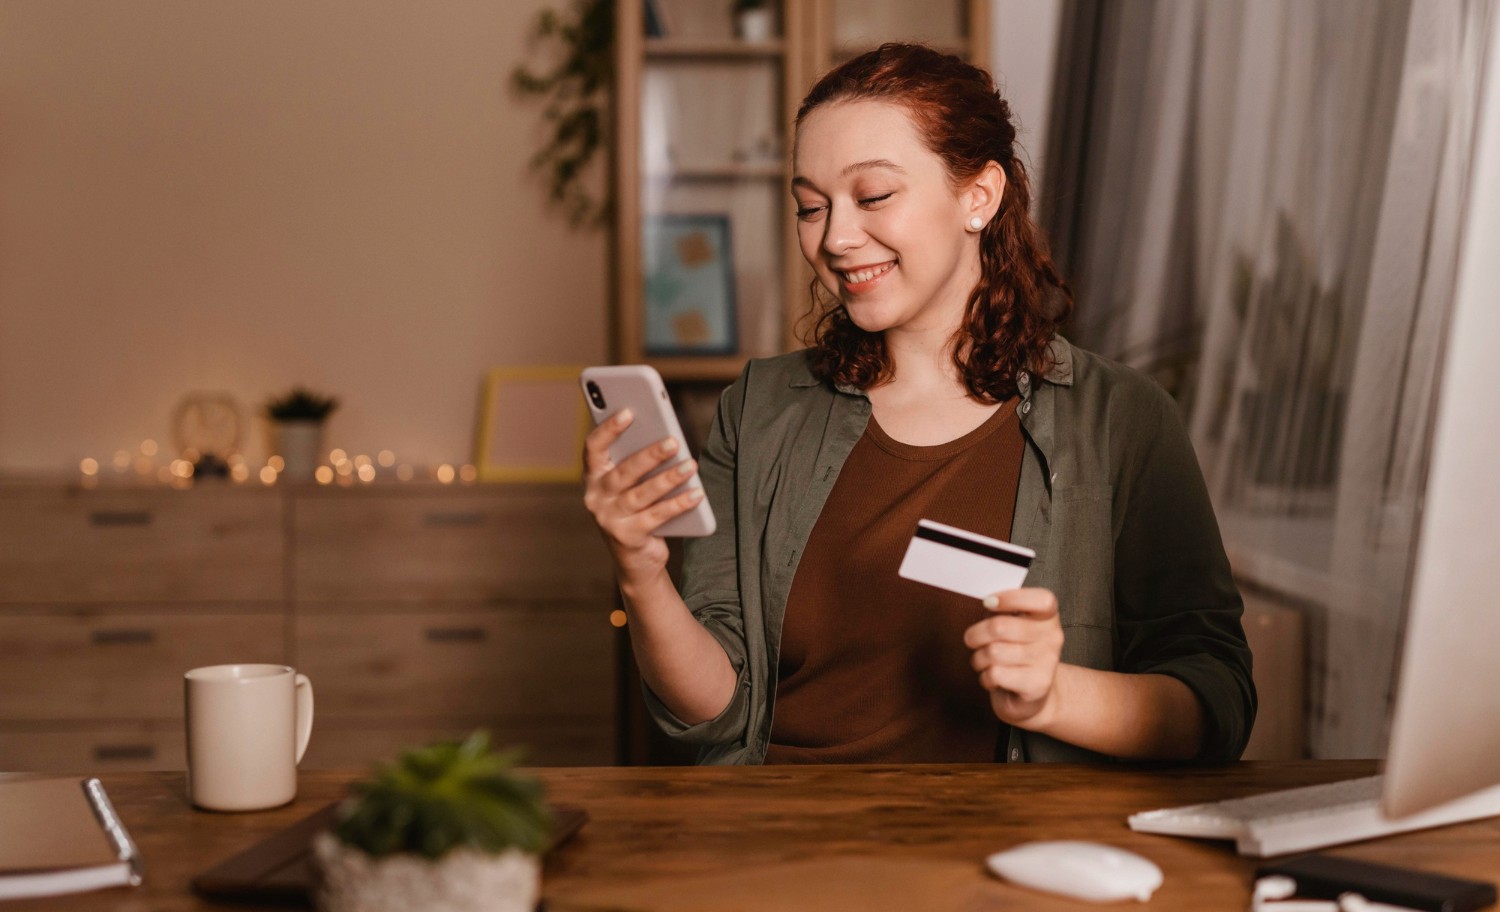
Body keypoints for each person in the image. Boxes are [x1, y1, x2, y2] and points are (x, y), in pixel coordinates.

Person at [583, 43, 1255, 765]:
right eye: (811, 206)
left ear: (980, 196)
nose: (835, 238)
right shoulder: (761, 409)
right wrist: (642, 573)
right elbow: (717, 713)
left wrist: (1059, 697)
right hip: (781, 847)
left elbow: (1216, 702)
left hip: (999, 859)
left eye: (873, 197)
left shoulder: (1118, 420)